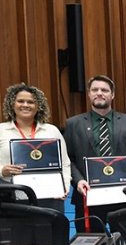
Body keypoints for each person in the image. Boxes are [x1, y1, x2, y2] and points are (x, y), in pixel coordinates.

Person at [63, 75, 126, 228]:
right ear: (89, 94)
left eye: (104, 90)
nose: (99, 93)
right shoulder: (73, 124)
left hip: (125, 196)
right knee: (92, 242)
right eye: (95, 90)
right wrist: (78, 180)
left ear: (112, 95)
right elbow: (67, 159)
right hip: (88, 196)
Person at [0, 83, 72, 212]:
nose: (25, 105)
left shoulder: (52, 130)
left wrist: (64, 186)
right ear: (12, 104)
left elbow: (65, 163)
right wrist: (2, 170)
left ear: (38, 106)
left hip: (51, 196)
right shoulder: (1, 130)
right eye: (20, 101)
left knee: (50, 226)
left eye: (31, 102)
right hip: (11, 196)